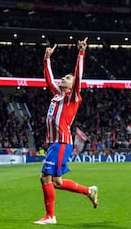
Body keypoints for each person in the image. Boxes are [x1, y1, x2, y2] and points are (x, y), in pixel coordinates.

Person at [33, 38, 99, 225]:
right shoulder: (57, 95)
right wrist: (46, 59)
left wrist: (81, 53)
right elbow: (48, 79)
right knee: (57, 182)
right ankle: (89, 191)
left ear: (72, 85)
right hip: (54, 143)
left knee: (45, 177)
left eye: (67, 78)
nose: (63, 78)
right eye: (63, 77)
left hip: (62, 142)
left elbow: (78, 77)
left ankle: (50, 216)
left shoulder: (73, 97)